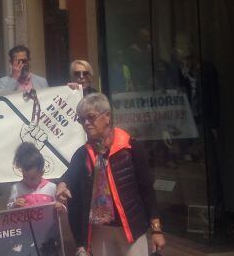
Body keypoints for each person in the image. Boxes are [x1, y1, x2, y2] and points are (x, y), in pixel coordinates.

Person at [56, 93, 165, 256]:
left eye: (90, 117)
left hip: (131, 229)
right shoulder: (83, 153)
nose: (86, 123)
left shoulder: (131, 147)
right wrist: (62, 185)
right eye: (82, 120)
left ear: (107, 117)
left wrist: (156, 229)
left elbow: (147, 189)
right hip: (100, 231)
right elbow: (69, 175)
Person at [6, 142, 57, 209]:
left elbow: (60, 207)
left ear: (42, 173)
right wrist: (14, 205)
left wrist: (59, 207)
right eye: (25, 177)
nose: (28, 181)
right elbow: (8, 208)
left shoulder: (51, 187)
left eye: (33, 178)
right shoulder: (17, 188)